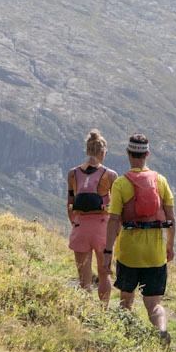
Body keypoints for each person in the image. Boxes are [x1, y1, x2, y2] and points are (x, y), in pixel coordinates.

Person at [105, 132, 176, 338]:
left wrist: (108, 252)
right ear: (148, 154)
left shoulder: (120, 184)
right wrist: (169, 246)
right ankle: (161, 331)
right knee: (154, 304)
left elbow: (113, 221)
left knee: (126, 300)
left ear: (128, 154)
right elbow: (171, 219)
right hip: (155, 252)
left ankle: (126, 338)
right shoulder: (160, 181)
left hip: (129, 253)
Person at [66, 129, 116, 303]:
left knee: (84, 280)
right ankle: (103, 311)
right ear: (103, 153)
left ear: (87, 151)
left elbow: (70, 204)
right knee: (104, 274)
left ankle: (86, 314)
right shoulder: (110, 175)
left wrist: (75, 223)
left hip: (80, 227)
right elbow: (116, 206)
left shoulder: (73, 173)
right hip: (102, 227)